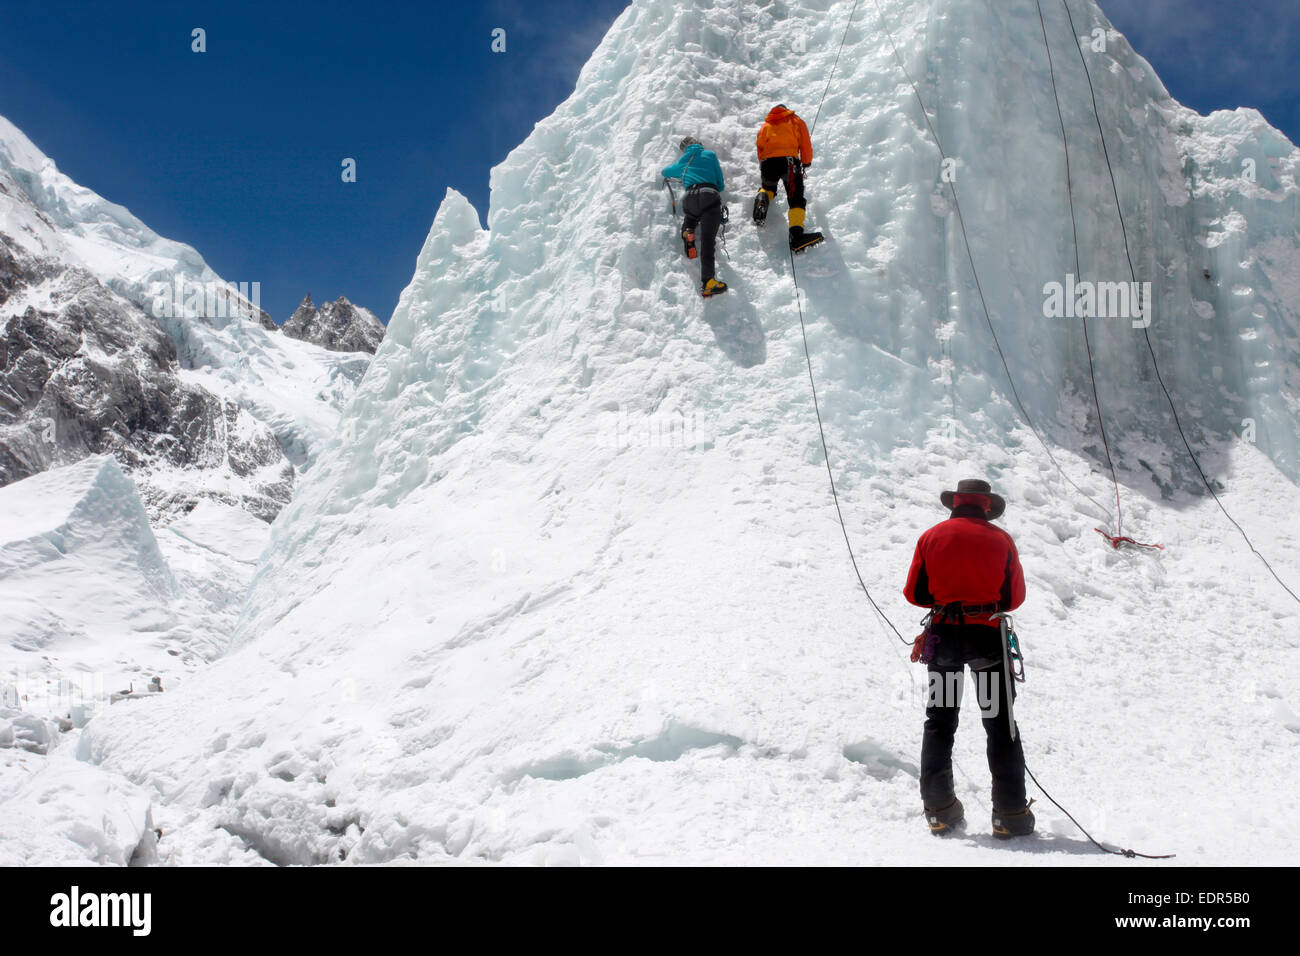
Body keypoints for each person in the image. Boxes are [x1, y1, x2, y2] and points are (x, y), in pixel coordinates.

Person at [903, 478, 1034, 839]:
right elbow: (1013, 599)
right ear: (986, 507)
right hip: (985, 639)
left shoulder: (931, 536)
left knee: (940, 721)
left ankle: (939, 809)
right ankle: (1009, 813)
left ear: (955, 504)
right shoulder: (1001, 540)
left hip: (944, 637)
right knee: (998, 723)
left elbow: (915, 593)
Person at [661, 136, 728, 297]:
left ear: (685, 149)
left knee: (690, 217)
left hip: (690, 198)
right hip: (709, 195)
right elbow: (720, 183)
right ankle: (708, 281)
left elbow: (665, 172)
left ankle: (687, 231)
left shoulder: (683, 161)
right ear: (699, 144)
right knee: (707, 241)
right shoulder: (709, 155)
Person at [752, 105, 824, 252]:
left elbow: (759, 146)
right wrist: (806, 161)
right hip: (789, 163)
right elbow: (805, 143)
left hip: (768, 162)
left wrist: (764, 162)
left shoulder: (767, 125)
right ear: (786, 110)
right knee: (795, 197)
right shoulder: (795, 120)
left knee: (769, 187)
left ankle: (762, 197)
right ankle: (797, 236)